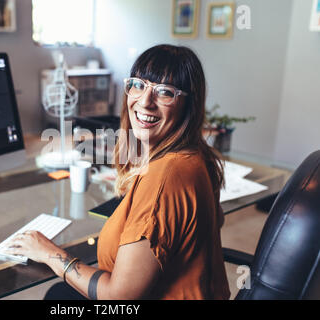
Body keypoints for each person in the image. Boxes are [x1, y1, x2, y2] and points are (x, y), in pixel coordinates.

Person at [14, 44, 231, 300]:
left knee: (57, 296)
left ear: (188, 105)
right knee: (62, 294)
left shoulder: (165, 175)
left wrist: (49, 253)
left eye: (164, 92)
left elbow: (118, 296)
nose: (145, 101)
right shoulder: (196, 156)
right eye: (138, 85)